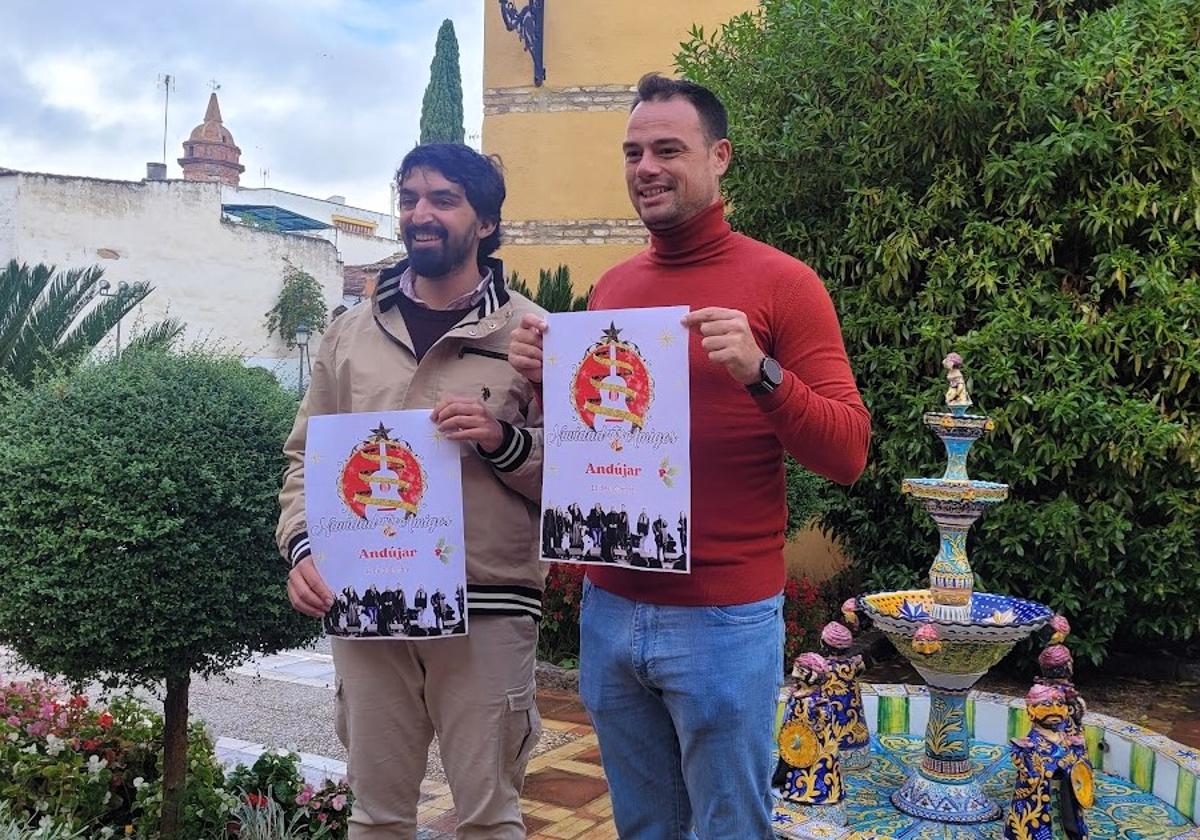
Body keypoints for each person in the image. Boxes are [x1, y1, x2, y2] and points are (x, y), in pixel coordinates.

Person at [508, 74, 870, 838]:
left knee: (731, 827)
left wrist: (762, 373)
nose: (647, 166)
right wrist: (544, 386)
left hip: (723, 621)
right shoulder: (611, 290)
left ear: (720, 156)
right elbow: (599, 448)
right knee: (644, 828)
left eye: (669, 149)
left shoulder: (784, 285)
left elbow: (848, 452)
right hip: (609, 612)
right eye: (634, 151)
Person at [278, 143, 546, 839]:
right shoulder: (348, 335)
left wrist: (501, 439)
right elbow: (306, 458)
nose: (420, 214)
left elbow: (579, 478)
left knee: (488, 820)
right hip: (368, 606)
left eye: (443, 200)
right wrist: (303, 549)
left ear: (485, 221)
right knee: (376, 818)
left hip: (487, 610)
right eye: (409, 199)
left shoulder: (533, 333)